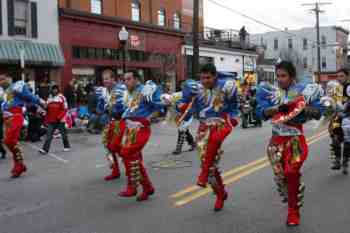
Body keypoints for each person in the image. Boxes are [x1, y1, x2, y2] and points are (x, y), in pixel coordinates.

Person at [256, 60, 324, 226]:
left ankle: (293, 212)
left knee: (291, 172)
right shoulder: (271, 92)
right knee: (281, 178)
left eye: (283, 76)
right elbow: (260, 112)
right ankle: (292, 197)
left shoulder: (304, 91)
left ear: (292, 76)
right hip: (276, 141)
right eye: (278, 76)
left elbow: (319, 111)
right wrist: (274, 109)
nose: (279, 79)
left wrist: (302, 108)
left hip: (295, 140)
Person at [177, 63, 239, 211]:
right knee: (210, 164)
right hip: (204, 126)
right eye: (202, 78)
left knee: (216, 140)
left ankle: (203, 173)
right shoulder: (197, 90)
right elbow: (192, 109)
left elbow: (234, 104)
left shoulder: (227, 86)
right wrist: (179, 107)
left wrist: (234, 116)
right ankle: (220, 193)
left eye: (208, 78)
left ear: (215, 76)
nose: (205, 81)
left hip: (222, 122)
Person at [112, 71, 165, 202]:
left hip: (140, 128)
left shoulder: (146, 90)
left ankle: (133, 186)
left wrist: (149, 118)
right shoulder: (128, 94)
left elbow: (160, 107)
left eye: (128, 79)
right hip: (128, 127)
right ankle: (148, 187)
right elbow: (122, 110)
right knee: (127, 155)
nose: (126, 82)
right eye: (124, 80)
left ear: (136, 79)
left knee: (127, 153)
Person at [2, 70, 45, 178]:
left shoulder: (17, 85)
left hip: (15, 116)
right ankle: (19, 165)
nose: (1, 81)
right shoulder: (5, 92)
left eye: (3, 79)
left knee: (9, 140)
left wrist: (40, 101)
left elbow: (29, 96)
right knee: (9, 142)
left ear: (9, 78)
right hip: (6, 119)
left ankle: (19, 165)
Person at [328, 68, 350, 174]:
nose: (339, 78)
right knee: (335, 137)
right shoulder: (336, 89)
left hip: (348, 118)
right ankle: (337, 160)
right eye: (338, 76)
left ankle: (345, 162)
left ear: (347, 76)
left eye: (342, 76)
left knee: (347, 141)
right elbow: (332, 103)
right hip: (338, 117)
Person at [39, 85, 70, 154]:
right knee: (49, 135)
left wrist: (59, 117)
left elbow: (65, 109)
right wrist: (44, 108)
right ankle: (45, 150)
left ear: (58, 90)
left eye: (55, 89)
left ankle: (66, 146)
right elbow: (47, 108)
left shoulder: (62, 97)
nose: (54, 90)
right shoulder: (49, 98)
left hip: (60, 120)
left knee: (63, 134)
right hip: (52, 120)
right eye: (53, 89)